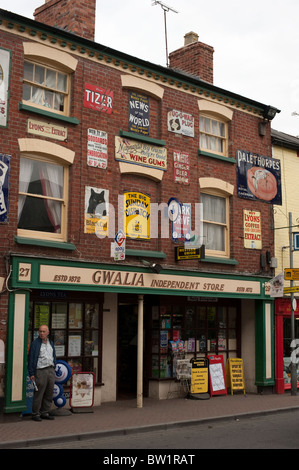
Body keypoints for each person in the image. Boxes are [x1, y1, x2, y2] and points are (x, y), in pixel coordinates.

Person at [28, 325, 57, 421]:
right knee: (39, 393)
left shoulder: (51, 343)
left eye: (44, 331)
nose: (41, 333)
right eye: (40, 331)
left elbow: (54, 356)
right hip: (40, 370)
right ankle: (35, 413)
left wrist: (54, 367)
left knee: (49, 392)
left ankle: (45, 412)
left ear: (48, 333)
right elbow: (31, 359)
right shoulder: (35, 344)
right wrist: (32, 373)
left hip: (50, 369)